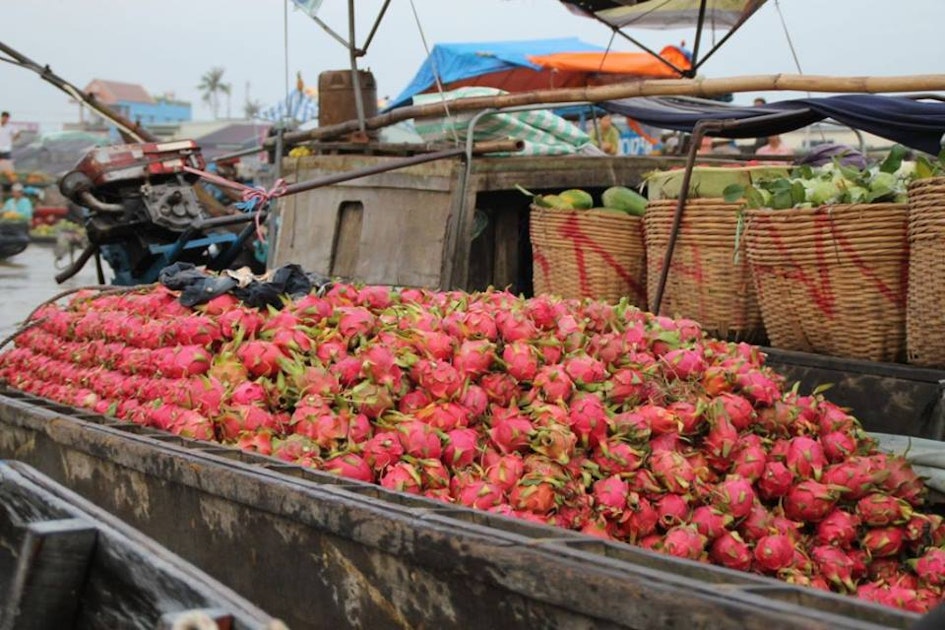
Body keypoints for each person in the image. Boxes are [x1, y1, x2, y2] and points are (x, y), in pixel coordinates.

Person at [0, 111, 19, 183]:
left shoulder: (10, 127)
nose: (5, 119)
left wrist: (12, 139)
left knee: (8, 166)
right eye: (3, 117)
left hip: (6, 149)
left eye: (6, 118)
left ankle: (11, 181)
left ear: (8, 119)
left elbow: (17, 134)